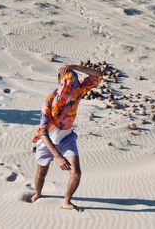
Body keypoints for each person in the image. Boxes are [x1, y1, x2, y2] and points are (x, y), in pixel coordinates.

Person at [30, 64, 103, 212]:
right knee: (41, 173)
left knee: (76, 173)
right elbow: (43, 132)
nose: (73, 86)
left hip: (67, 138)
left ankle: (66, 202)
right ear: (61, 83)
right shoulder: (49, 102)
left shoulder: (78, 92)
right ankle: (37, 193)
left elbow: (97, 75)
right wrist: (57, 156)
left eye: (75, 82)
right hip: (47, 141)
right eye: (69, 83)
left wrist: (74, 66)